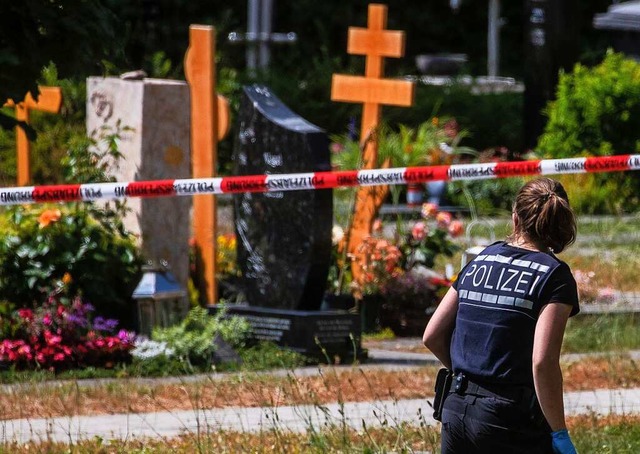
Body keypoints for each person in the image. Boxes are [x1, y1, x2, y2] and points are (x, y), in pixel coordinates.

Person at [423, 177, 579, 454]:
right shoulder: (555, 276)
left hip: (455, 407)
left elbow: (432, 335)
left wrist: (470, 376)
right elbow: (542, 362)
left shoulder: (481, 259)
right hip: (507, 419)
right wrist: (559, 432)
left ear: (515, 218)